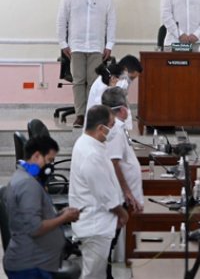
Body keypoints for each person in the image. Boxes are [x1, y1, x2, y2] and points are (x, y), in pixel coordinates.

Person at [3, 135, 80, 279]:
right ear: (37, 155)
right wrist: (64, 218)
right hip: (30, 266)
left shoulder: (26, 178)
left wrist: (58, 215)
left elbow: (28, 219)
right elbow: (35, 228)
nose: (51, 166)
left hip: (34, 262)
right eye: (50, 160)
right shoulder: (28, 185)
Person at [70, 105, 129, 279]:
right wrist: (122, 212)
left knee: (97, 273)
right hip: (95, 225)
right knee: (93, 275)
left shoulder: (89, 143)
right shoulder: (90, 154)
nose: (113, 129)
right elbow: (104, 194)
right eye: (111, 125)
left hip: (97, 221)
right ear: (100, 128)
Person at [56, 0, 117, 128]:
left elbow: (111, 22)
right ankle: (80, 115)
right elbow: (62, 21)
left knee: (94, 82)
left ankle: (92, 114)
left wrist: (109, 44)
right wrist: (63, 43)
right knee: (78, 81)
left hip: (97, 47)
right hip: (75, 47)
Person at [101, 87, 143, 279]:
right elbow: (114, 162)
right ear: (122, 109)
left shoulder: (117, 128)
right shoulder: (116, 130)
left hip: (122, 193)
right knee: (113, 237)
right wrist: (127, 191)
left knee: (115, 236)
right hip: (120, 194)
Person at [83, 62, 124, 129]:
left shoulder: (104, 80)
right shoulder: (101, 88)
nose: (118, 82)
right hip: (97, 123)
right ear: (113, 78)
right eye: (119, 79)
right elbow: (103, 109)